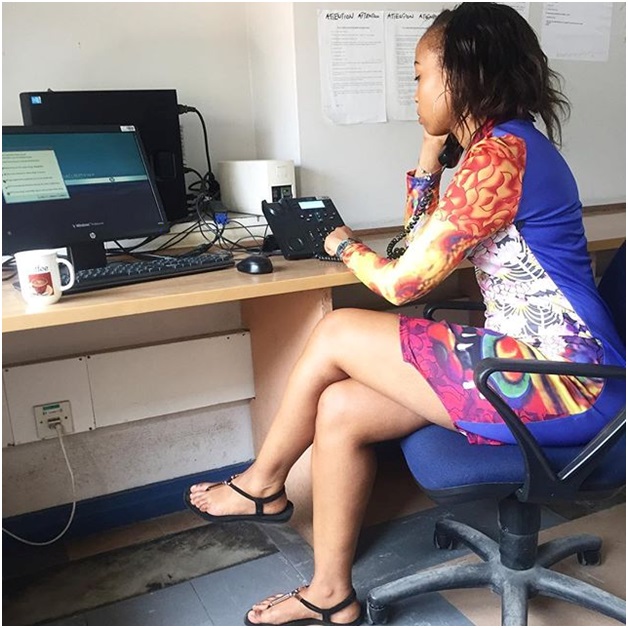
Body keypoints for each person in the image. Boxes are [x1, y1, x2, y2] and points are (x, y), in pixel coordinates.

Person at [185, 3, 626, 625]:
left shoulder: (503, 156)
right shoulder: (498, 150)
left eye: (420, 75)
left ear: (463, 74)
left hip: (569, 382)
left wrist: (340, 244)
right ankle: (330, 594)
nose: (413, 91)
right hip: (523, 364)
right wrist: (429, 154)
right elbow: (415, 245)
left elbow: (402, 283)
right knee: (340, 407)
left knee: (338, 329)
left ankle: (262, 484)